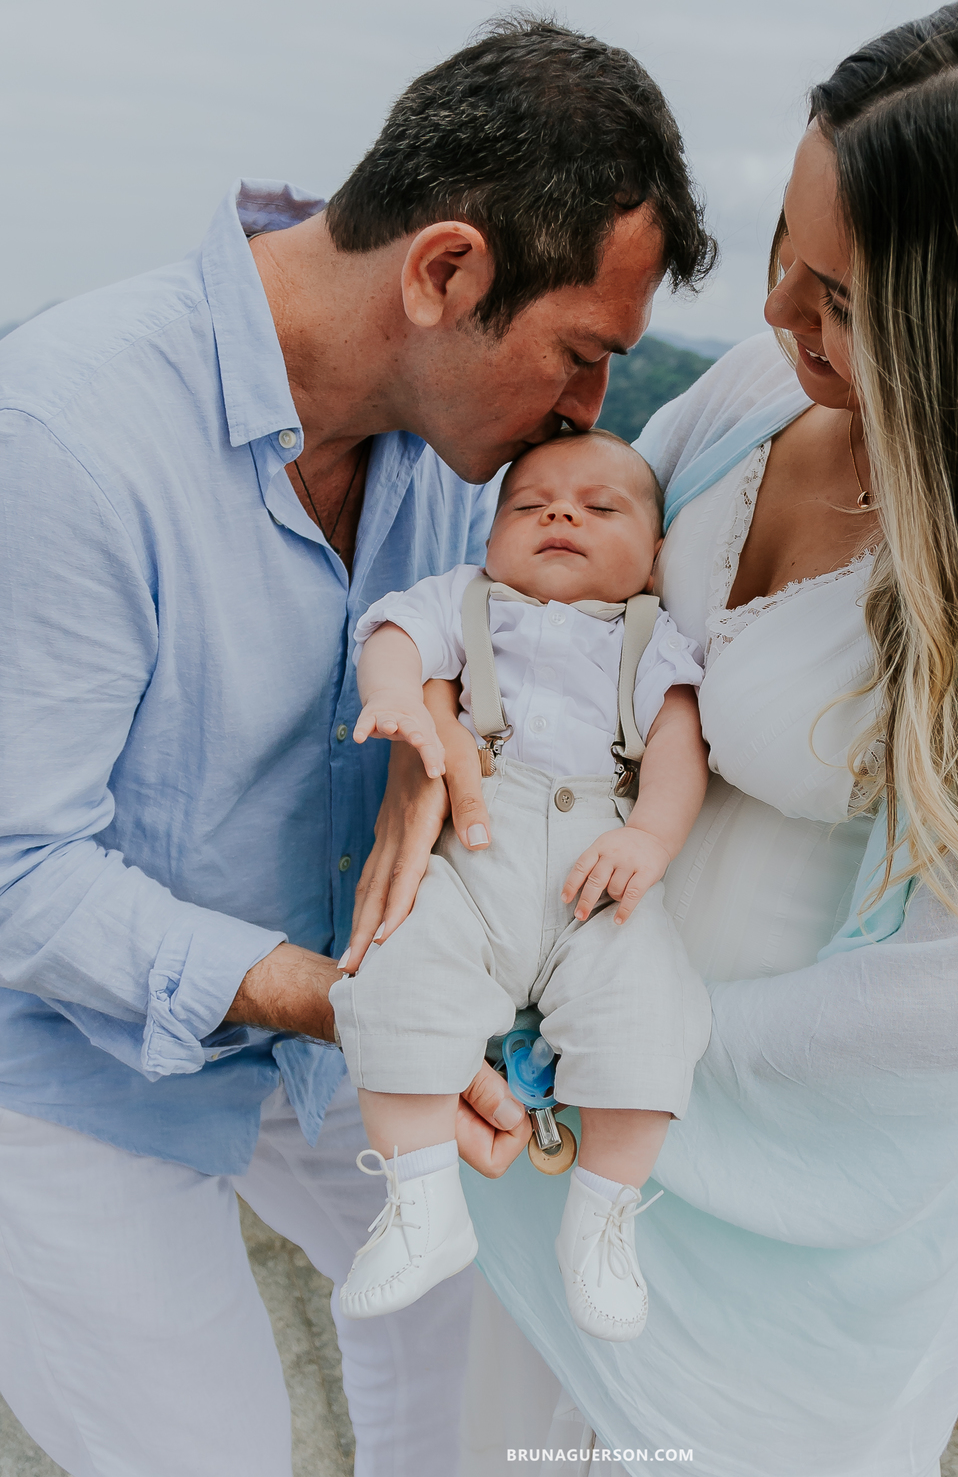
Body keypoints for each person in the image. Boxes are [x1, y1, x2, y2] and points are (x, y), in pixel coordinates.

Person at [444, 0, 958, 1476]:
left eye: (843, 303)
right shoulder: (741, 401)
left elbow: (931, 1018)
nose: (781, 315)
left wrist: (571, 1052)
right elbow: (572, 626)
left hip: (742, 1215)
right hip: (549, 1100)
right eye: (788, 255)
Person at [0, 18, 714, 1477]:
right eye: (581, 357)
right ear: (445, 271)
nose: (589, 418)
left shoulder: (475, 464)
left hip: (334, 1041)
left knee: (510, 1369)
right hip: (61, 1057)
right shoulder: (62, 436)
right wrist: (341, 1001)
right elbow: (18, 872)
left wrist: (432, 750)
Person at [330, 429, 710, 1338]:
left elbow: (678, 746)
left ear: (654, 559)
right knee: (391, 972)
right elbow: (390, 634)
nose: (561, 514)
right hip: (475, 855)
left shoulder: (652, 638)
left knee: (652, 1011)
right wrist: (391, 694)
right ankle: (421, 1206)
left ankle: (603, 1219)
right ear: (491, 534)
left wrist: (652, 838)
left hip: (598, 875)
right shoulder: (466, 601)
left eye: (599, 506)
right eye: (529, 504)